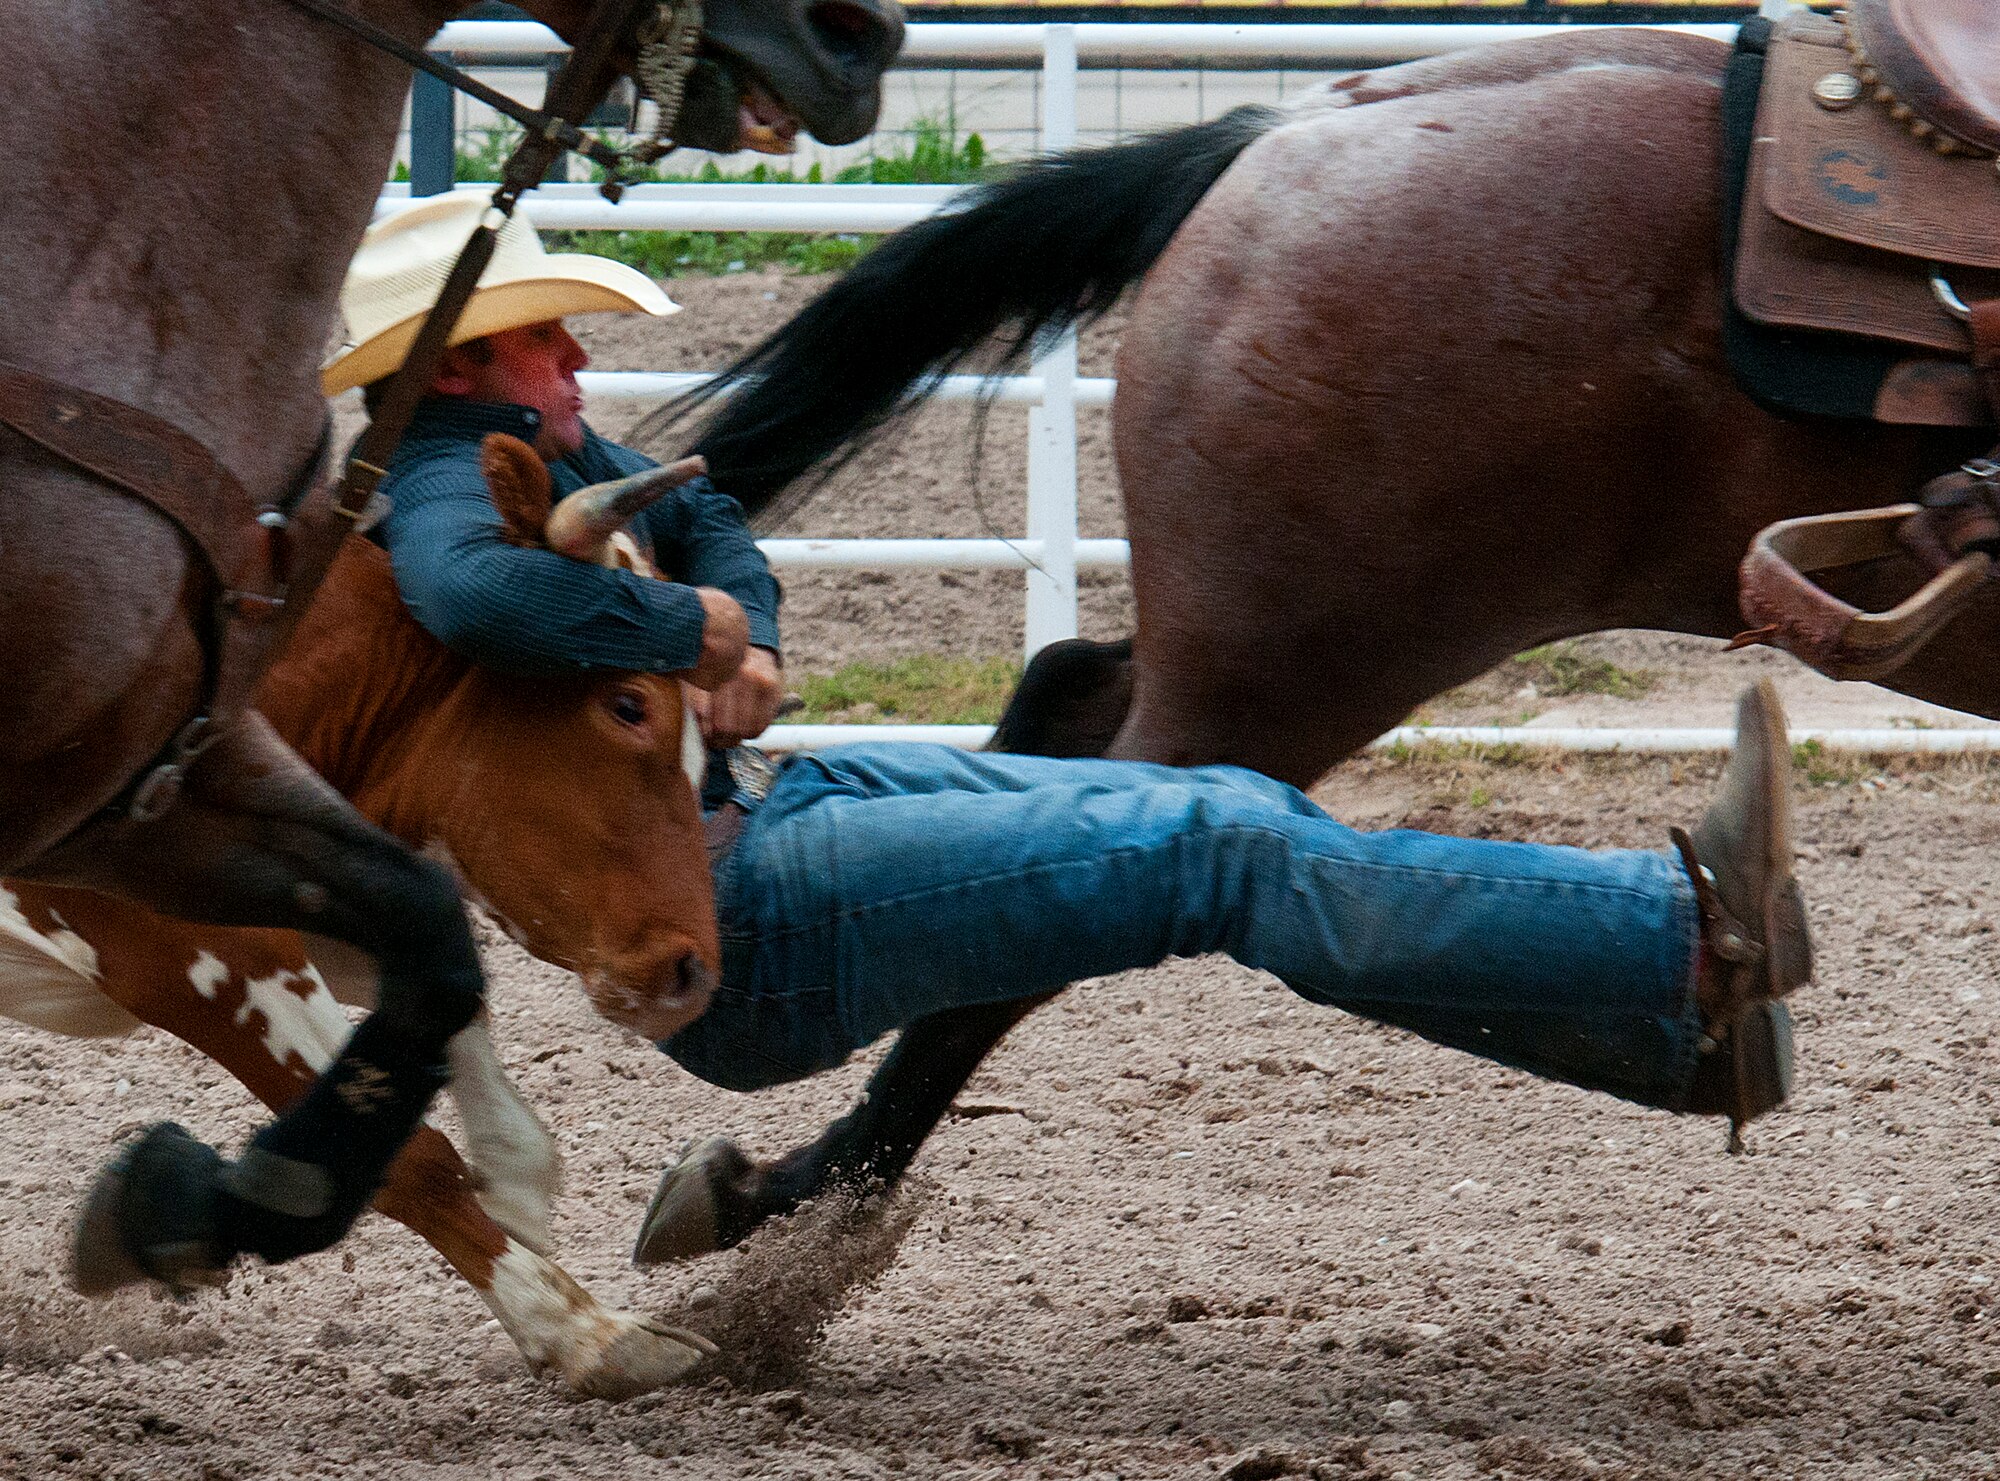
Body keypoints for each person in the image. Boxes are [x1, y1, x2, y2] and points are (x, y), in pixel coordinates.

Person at [326, 195, 1815, 1236]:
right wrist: (683, 623)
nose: (579, 362)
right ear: (459, 365)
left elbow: (711, 519)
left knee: (1243, 831)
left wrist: (747, 631)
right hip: (747, 907)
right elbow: (470, 599)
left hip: (784, 828)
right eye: (547, 339)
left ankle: (1671, 1042)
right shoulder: (450, 476)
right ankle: (1675, 941)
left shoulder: (532, 449)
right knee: (1225, 843)